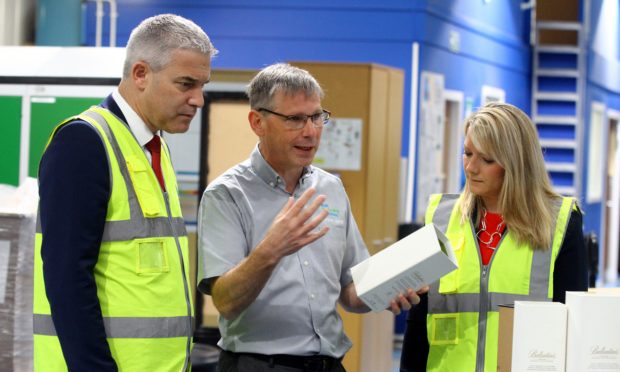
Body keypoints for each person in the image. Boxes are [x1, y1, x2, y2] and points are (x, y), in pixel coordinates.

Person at [197, 63, 423, 372]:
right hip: (260, 365)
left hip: (328, 363)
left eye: (317, 117)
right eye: (295, 119)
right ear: (257, 122)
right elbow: (225, 301)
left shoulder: (330, 188)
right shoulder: (227, 194)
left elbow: (351, 291)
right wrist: (271, 249)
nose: (310, 131)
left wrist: (389, 289)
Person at [33, 14, 216, 371]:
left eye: (203, 86)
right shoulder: (84, 142)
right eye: (186, 84)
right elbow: (67, 278)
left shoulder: (153, 149)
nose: (199, 100)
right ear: (141, 74)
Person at [400, 102, 588, 372]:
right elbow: (419, 322)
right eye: (467, 153)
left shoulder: (560, 223)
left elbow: (573, 327)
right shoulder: (442, 218)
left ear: (516, 164)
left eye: (487, 160)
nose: (471, 167)